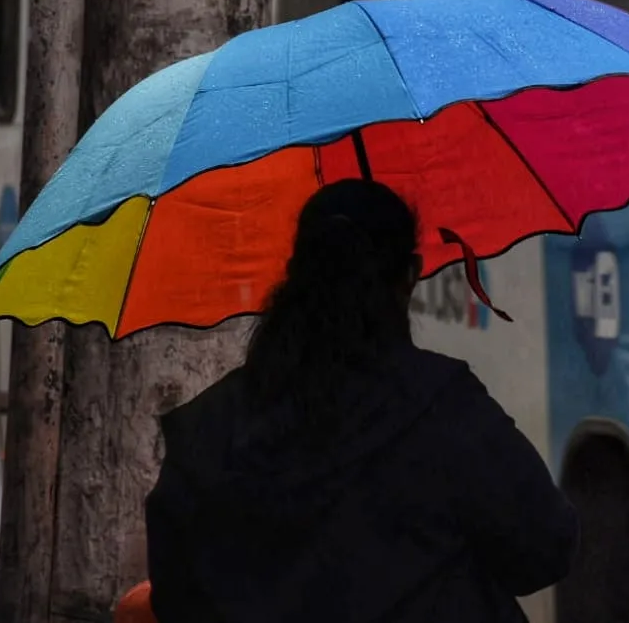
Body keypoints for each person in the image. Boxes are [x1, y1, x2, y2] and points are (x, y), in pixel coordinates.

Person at [144, 178, 577, 623]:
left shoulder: (207, 427)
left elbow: (176, 593)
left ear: (294, 274)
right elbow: (544, 548)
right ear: (409, 277)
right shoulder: (442, 404)